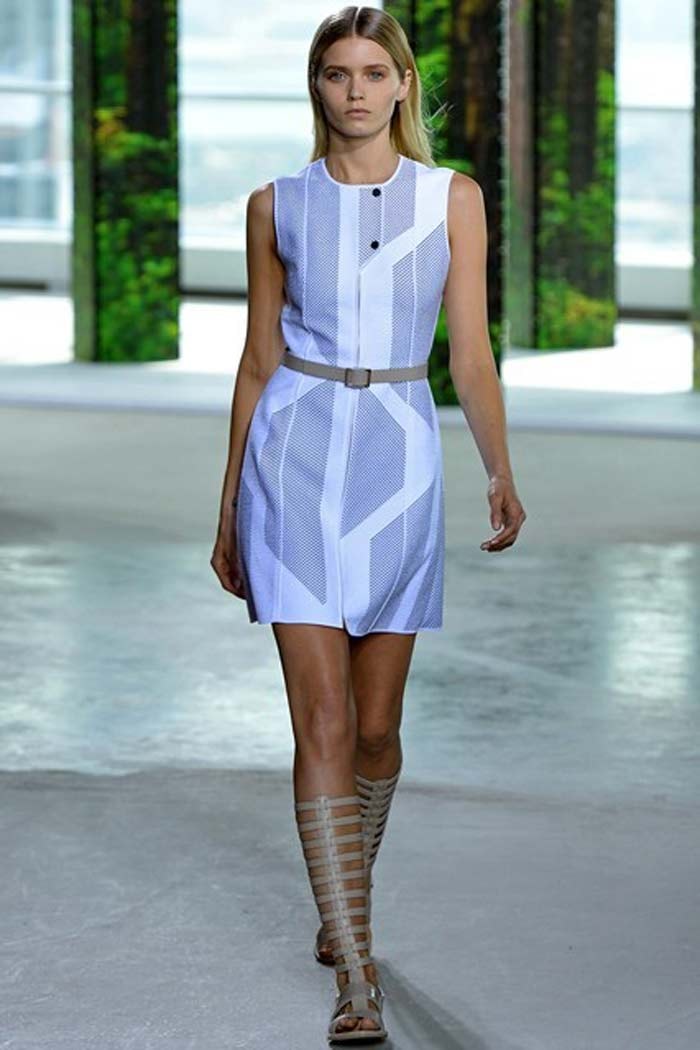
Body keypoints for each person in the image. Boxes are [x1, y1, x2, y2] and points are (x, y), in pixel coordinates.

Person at [210, 5, 526, 1043]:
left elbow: (469, 353)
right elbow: (258, 358)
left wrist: (498, 470)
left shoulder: (453, 199)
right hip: (293, 455)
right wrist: (230, 505)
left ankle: (345, 886)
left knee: (378, 730)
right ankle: (355, 966)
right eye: (337, 73)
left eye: (373, 73)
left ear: (402, 86)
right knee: (324, 724)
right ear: (317, 87)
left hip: (397, 455)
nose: (355, 91)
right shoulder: (276, 204)